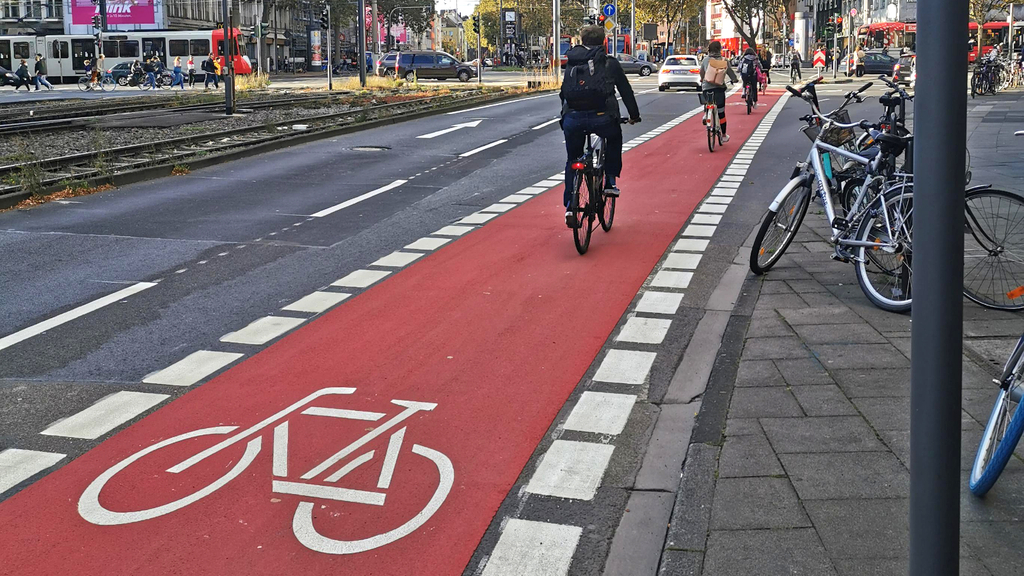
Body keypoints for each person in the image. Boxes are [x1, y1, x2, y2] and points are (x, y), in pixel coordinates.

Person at [559, 25, 641, 228]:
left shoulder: (572, 61)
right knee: (614, 137)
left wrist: (567, 115)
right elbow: (626, 91)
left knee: (573, 160)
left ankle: (570, 206)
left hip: (573, 119)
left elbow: (564, 93)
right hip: (603, 117)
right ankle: (610, 182)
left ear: (581, 40)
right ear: (604, 42)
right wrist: (633, 115)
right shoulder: (609, 63)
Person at [700, 40, 739, 143]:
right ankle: (724, 135)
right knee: (721, 112)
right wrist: (734, 79)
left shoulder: (705, 60)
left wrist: (702, 79)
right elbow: (731, 73)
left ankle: (706, 113)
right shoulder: (724, 60)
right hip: (719, 89)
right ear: (719, 50)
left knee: (708, 102)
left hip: (707, 88)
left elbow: (701, 72)